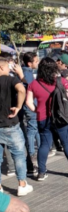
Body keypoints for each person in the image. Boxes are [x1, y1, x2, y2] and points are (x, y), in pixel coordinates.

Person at [26, 57, 68, 181]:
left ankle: (41, 173)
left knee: (44, 145)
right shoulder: (61, 81)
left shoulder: (34, 84)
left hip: (43, 118)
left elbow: (28, 102)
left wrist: (37, 110)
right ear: (54, 68)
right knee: (67, 144)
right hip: (61, 117)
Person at [0, 57, 33, 196]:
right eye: (8, 67)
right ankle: (22, 184)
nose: (9, 69)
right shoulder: (11, 80)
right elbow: (21, 89)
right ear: (2, 68)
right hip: (10, 124)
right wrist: (18, 107)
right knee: (19, 155)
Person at [21, 52, 40, 170]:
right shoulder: (26, 73)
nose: (38, 63)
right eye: (36, 61)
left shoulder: (26, 72)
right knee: (32, 128)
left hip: (31, 104)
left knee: (35, 127)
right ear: (29, 63)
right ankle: (32, 152)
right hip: (30, 105)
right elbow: (29, 88)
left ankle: (37, 149)